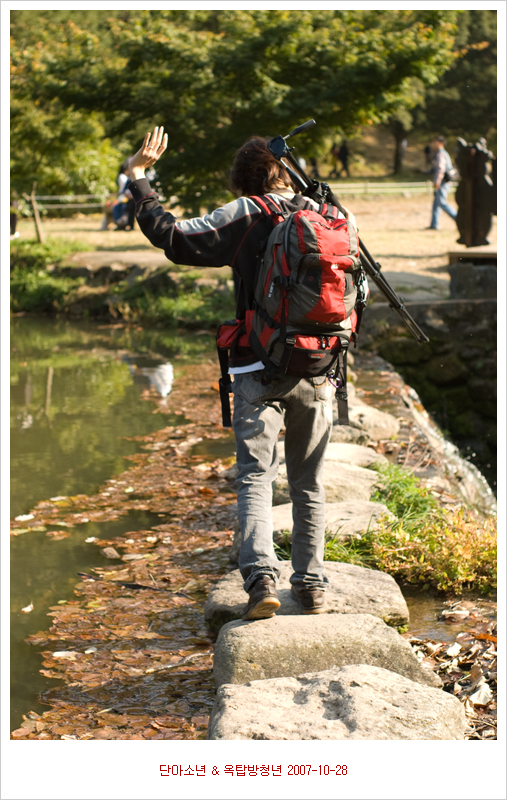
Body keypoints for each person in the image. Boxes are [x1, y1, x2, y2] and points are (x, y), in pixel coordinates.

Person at [128, 126, 357, 619]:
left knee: (256, 477)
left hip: (258, 365)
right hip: (319, 365)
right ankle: (313, 585)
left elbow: (172, 237)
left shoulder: (247, 212)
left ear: (242, 180)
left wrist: (139, 176)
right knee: (309, 483)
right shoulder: (328, 214)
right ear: (285, 170)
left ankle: (261, 583)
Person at [426, 136, 457, 230]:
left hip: (443, 182)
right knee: (436, 203)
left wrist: (437, 181)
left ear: (440, 143)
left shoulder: (440, 153)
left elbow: (440, 168)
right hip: (444, 181)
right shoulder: (443, 153)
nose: (433, 144)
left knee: (441, 202)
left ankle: (459, 219)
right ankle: (434, 224)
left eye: (435, 141)